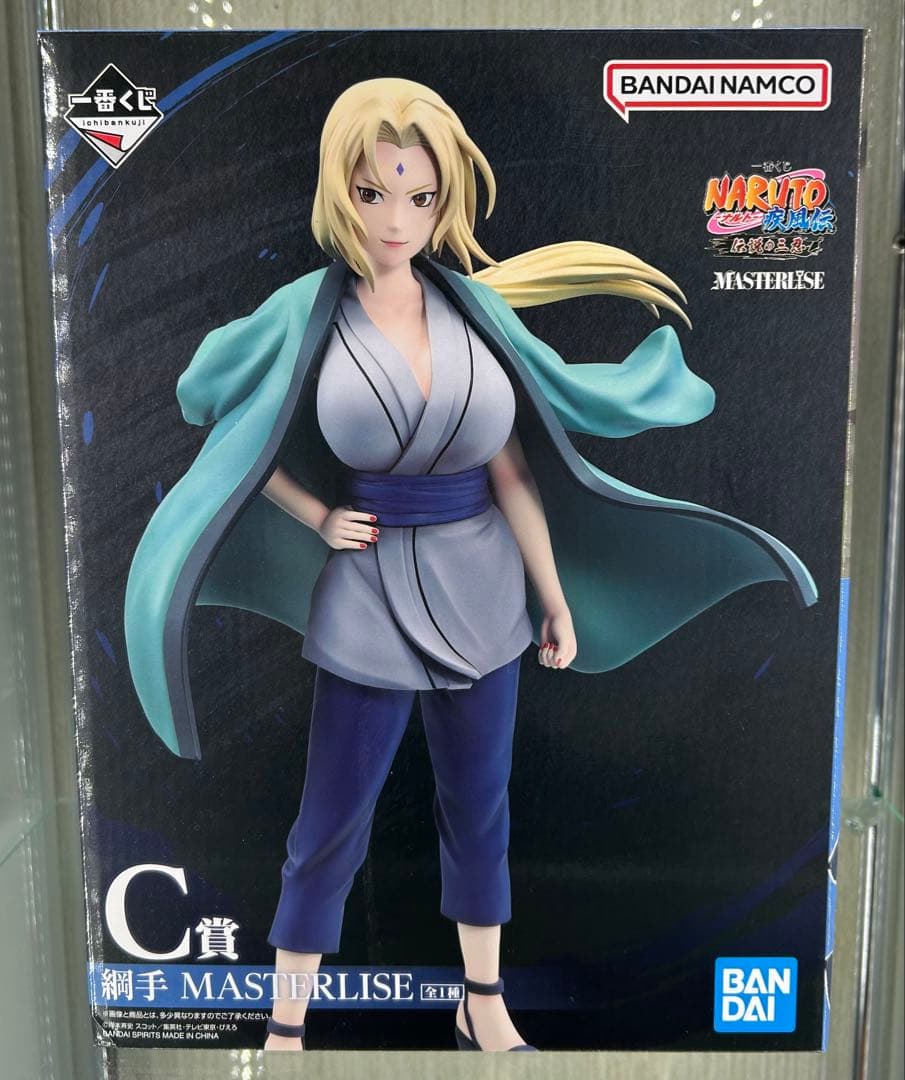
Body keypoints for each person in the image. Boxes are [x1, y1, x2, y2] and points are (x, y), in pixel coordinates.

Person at [124, 77, 817, 1053]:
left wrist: (552, 598)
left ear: (443, 200)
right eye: (372, 192)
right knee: (329, 820)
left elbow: (514, 472)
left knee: (477, 807)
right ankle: (285, 1024)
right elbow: (217, 416)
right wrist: (316, 513)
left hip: (485, 588)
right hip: (366, 591)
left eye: (419, 196)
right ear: (339, 190)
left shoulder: (473, 310)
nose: (395, 218)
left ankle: (481, 1000)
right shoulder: (302, 312)